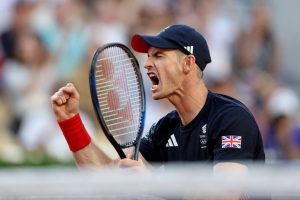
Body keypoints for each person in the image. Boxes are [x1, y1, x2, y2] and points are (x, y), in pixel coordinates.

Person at [51, 24, 265, 173]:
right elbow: (109, 176)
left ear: (188, 64)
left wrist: (154, 181)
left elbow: (223, 194)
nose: (146, 64)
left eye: (159, 56)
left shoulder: (232, 119)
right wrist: (70, 122)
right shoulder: (164, 128)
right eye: (148, 56)